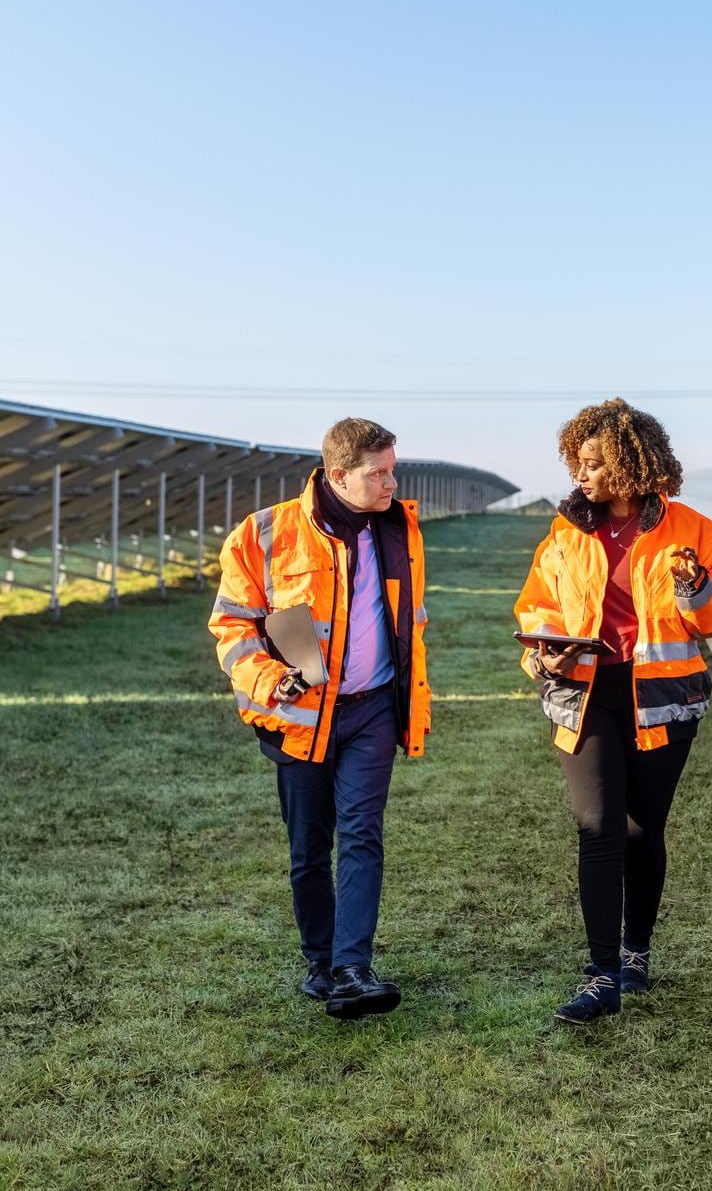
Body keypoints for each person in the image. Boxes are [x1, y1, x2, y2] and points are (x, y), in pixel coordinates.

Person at [514, 398, 712, 1024]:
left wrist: (694, 587)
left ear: (628, 463)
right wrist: (543, 658)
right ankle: (601, 974)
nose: (581, 476)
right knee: (597, 828)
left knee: (644, 828)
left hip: (663, 698)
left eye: (592, 464)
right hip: (585, 695)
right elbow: (537, 608)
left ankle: (635, 950)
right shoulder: (566, 531)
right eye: (576, 463)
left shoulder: (695, 532)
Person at [209, 418, 429, 1019]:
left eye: (392, 469)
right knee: (309, 846)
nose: (391, 483)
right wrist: (267, 678)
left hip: (374, 711)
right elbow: (232, 626)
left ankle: (354, 967)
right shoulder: (262, 534)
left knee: (362, 834)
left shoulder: (399, 528)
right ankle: (320, 962)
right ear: (338, 474)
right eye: (377, 473)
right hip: (300, 716)